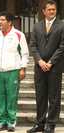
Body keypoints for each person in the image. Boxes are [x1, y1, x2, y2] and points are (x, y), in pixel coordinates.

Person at [27, 1, 64, 133]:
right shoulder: (37, 26)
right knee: (40, 96)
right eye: (49, 10)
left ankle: (51, 124)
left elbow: (62, 46)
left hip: (55, 67)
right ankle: (40, 123)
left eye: (54, 10)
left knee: (54, 96)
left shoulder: (62, 25)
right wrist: (40, 61)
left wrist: (50, 62)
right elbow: (32, 45)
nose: (52, 12)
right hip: (40, 67)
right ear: (43, 11)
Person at [0, 11, 29, 132]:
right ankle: (1, 121)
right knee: (0, 97)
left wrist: (23, 68)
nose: (0, 22)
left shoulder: (18, 35)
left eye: (2, 20)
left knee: (12, 97)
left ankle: (11, 122)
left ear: (9, 22)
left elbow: (24, 53)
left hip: (13, 70)